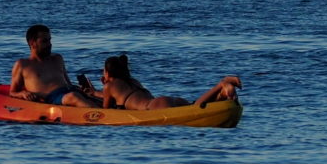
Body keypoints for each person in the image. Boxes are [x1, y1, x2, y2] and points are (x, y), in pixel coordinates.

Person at [99, 52, 241, 110]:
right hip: (164, 100)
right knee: (195, 106)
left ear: (107, 73)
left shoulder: (109, 86)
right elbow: (123, 96)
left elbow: (106, 110)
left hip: (154, 107)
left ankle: (222, 84)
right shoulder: (133, 81)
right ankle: (222, 91)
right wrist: (97, 92)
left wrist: (104, 88)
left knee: (195, 108)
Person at [10, 24, 100, 107]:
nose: (49, 44)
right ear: (32, 43)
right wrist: (22, 93)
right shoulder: (22, 65)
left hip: (69, 92)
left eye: (49, 40)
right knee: (73, 96)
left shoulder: (57, 58)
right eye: (44, 41)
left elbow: (68, 82)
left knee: (92, 95)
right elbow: (12, 92)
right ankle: (100, 114)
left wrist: (83, 90)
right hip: (52, 98)